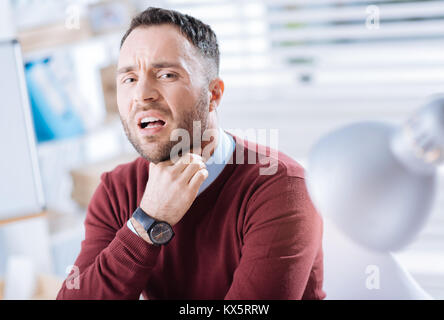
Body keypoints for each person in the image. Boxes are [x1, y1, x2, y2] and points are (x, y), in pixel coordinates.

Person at [57, 7, 325, 300]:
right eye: (129, 79)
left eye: (166, 74)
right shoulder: (116, 190)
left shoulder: (283, 188)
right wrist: (147, 222)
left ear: (214, 94)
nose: (142, 94)